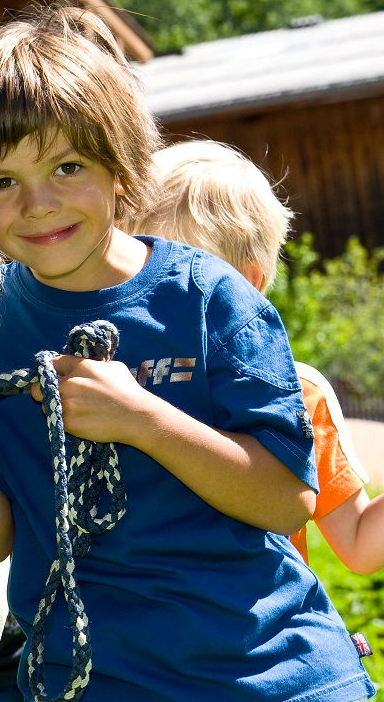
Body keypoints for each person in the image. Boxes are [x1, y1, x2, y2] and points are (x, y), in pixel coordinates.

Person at [0, 6, 376, 702]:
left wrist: (142, 418)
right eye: (2, 182)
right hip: (94, 682)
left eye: (68, 167)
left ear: (121, 166)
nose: (38, 204)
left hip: (268, 676)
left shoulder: (208, 296)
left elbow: (286, 499)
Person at [126, 138, 383, 574]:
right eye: (135, 269)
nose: (150, 296)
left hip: (262, 634)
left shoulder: (296, 393)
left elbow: (359, 542)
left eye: (178, 277)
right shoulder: (109, 382)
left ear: (246, 284)